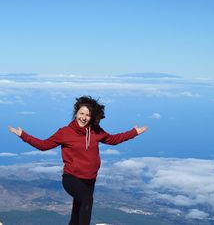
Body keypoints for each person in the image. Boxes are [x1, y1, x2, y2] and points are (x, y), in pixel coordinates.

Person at [8, 96, 148, 225]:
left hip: (90, 179)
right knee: (87, 200)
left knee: (77, 211)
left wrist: (133, 132)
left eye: (87, 115)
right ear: (76, 113)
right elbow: (44, 145)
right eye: (81, 113)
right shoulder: (65, 132)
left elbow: (113, 140)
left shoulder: (95, 130)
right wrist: (23, 135)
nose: (84, 117)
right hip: (71, 178)